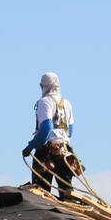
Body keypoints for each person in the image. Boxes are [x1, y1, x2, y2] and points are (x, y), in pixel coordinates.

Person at [21, 71, 76, 201]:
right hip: (65, 151)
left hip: (46, 151)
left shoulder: (45, 102)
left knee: (41, 194)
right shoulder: (67, 104)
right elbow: (70, 131)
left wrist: (31, 146)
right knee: (68, 195)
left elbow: (46, 128)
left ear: (44, 86)